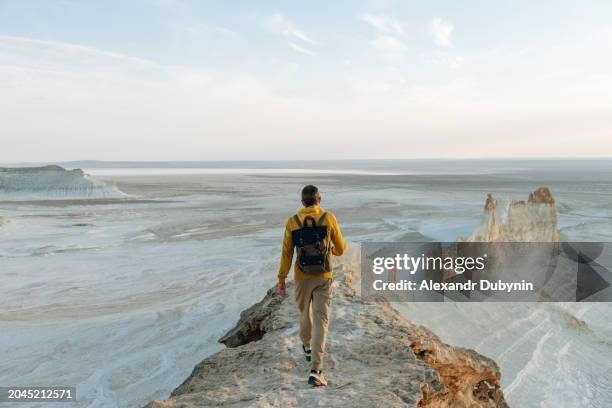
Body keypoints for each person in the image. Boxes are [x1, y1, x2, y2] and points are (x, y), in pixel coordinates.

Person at [278, 185, 346, 387]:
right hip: (324, 276)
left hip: (301, 276)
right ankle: (316, 370)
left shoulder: (293, 221)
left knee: (304, 313)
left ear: (302, 202)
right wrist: (330, 251)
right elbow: (341, 249)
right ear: (319, 199)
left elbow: (286, 253)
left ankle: (307, 346)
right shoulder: (328, 217)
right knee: (321, 320)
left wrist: (281, 279)